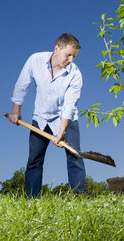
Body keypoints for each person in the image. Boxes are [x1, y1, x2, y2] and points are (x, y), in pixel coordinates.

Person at [8, 33, 87, 197]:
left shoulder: (75, 74)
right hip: (41, 117)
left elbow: (70, 104)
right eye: (68, 55)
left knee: (75, 156)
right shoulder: (35, 60)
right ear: (57, 48)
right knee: (34, 160)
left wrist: (62, 130)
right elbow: (22, 84)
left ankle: (80, 196)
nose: (71, 60)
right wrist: (16, 110)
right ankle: (31, 198)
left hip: (65, 118)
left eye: (74, 57)